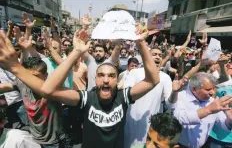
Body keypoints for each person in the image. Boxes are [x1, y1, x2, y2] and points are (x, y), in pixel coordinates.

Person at [0, 28, 160, 148]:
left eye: (111, 76)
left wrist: (141, 43)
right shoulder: (86, 98)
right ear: (95, 79)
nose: (106, 80)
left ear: (117, 80)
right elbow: (48, 90)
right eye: (101, 75)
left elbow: (153, 80)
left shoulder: (123, 96)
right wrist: (76, 51)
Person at [0, 57, 72, 148]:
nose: (31, 81)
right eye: (28, 77)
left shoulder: (53, 89)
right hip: (34, 139)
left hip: (56, 142)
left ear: (46, 75)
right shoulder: (22, 83)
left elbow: (66, 69)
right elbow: (6, 86)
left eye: (36, 76)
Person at [123, 47, 172, 148]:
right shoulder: (135, 73)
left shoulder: (165, 77)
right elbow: (126, 93)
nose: (158, 57)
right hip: (132, 122)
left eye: (160, 55)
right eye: (154, 54)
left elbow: (169, 103)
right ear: (147, 57)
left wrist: (175, 92)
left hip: (152, 125)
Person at [168, 72, 232, 148]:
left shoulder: (212, 102)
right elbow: (179, 119)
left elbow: (222, 125)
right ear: (194, 89)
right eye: (208, 89)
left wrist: (229, 120)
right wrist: (208, 110)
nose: (212, 92)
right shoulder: (180, 98)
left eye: (213, 88)